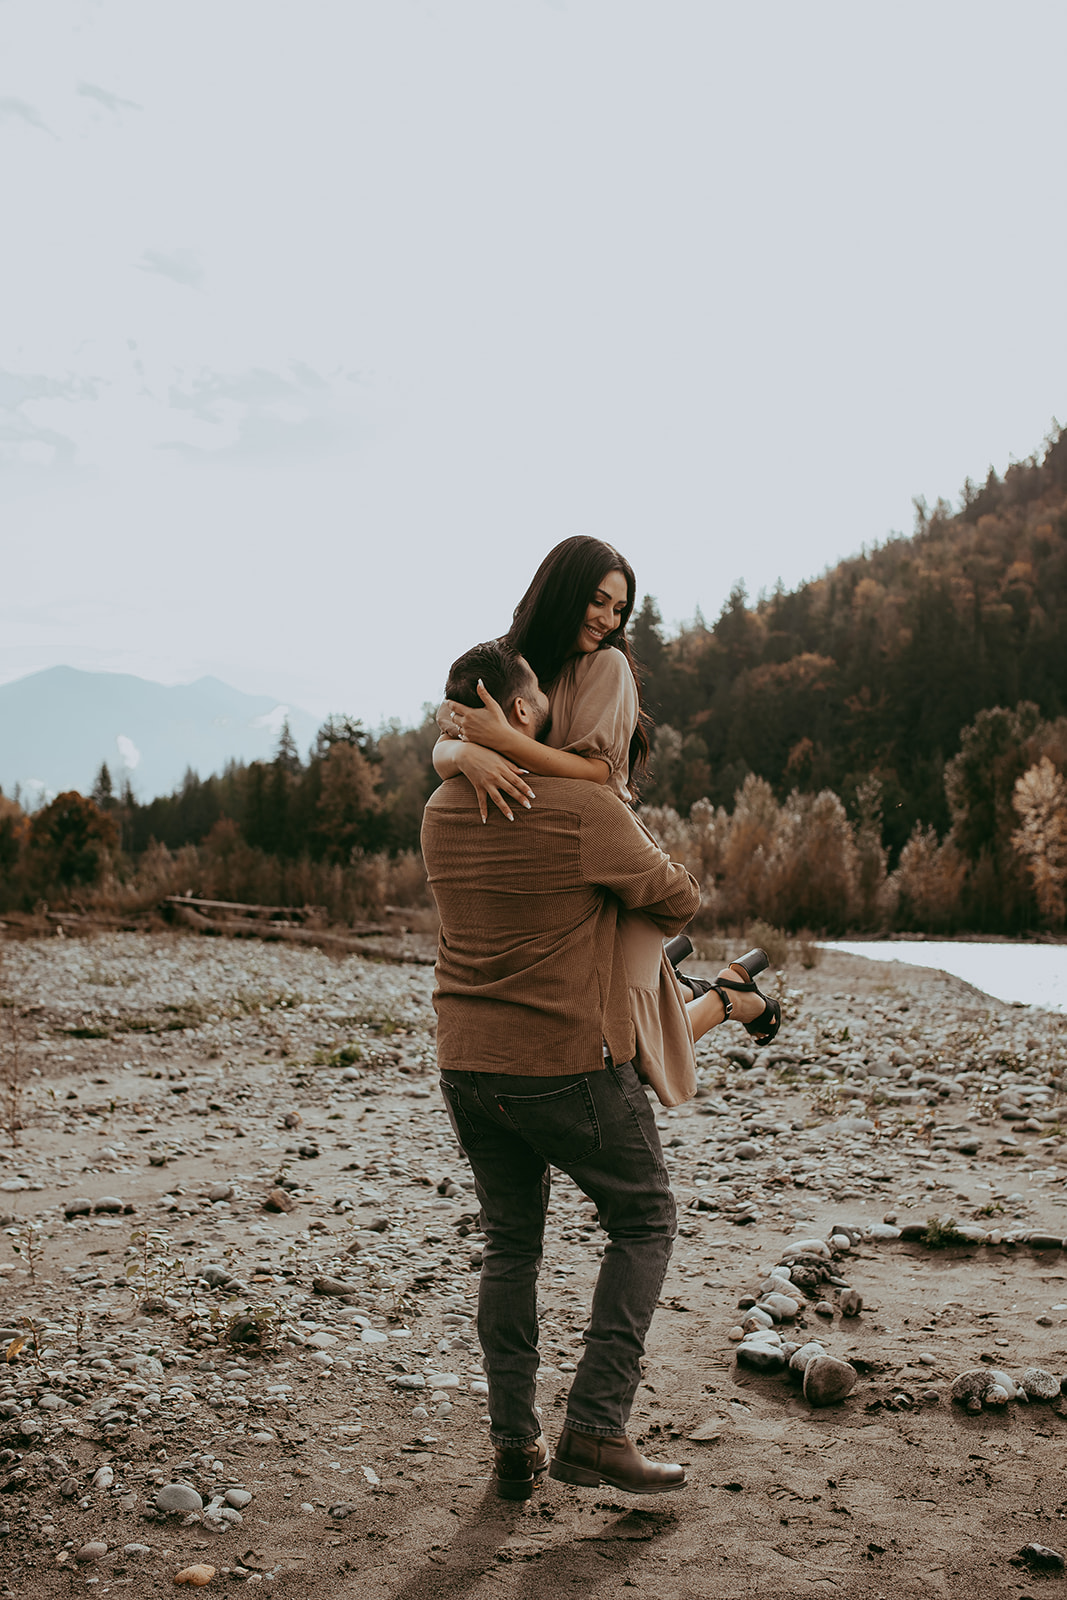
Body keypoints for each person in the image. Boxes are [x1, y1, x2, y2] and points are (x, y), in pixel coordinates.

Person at [421, 639, 771, 1502]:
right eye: (535, 686)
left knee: (510, 1244)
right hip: (565, 1067)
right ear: (518, 708)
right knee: (645, 1219)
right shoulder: (579, 809)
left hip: (466, 1063)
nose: (548, 693)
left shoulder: (438, 806)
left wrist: (461, 750)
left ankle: (514, 1445)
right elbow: (678, 897)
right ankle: (595, 1426)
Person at [433, 537, 779, 1108]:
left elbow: (595, 775)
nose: (607, 619)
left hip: (599, 856)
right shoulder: (508, 664)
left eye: (619, 609)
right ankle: (678, 984)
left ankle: (727, 999)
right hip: (541, 870)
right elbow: (444, 739)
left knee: (627, 1054)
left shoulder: (607, 665)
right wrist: (464, 753)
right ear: (562, 592)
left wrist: (496, 741)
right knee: (574, 1030)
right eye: (598, 601)